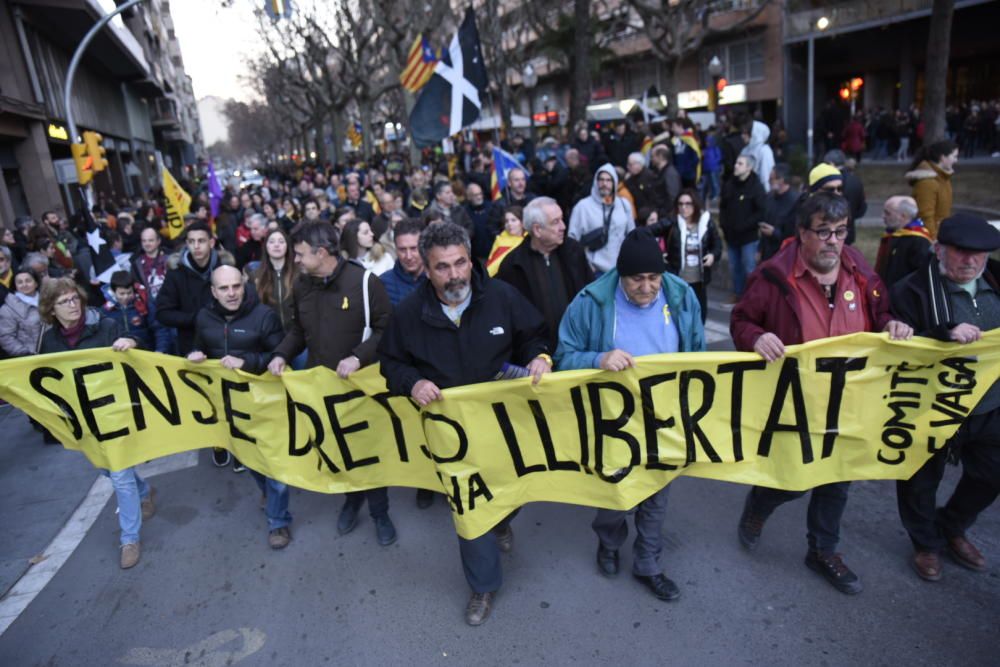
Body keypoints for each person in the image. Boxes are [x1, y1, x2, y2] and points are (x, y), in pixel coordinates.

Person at [730, 192, 913, 595]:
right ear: (801, 233)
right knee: (794, 479)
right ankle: (760, 503)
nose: (834, 240)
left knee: (837, 480)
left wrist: (892, 325)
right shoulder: (772, 277)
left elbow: (881, 313)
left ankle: (822, 550)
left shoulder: (858, 268)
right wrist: (757, 337)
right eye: (824, 232)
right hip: (796, 403)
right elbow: (742, 320)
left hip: (849, 404)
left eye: (841, 231)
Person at [377, 222, 551, 626]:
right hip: (451, 433)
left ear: (470, 258)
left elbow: (534, 335)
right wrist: (412, 381)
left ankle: (503, 521)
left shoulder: (502, 297)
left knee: (513, 493)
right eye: (442, 268)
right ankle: (483, 586)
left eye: (460, 264)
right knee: (469, 508)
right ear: (425, 267)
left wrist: (540, 356)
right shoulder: (408, 314)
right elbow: (390, 363)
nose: (454, 275)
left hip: (506, 424)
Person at [556, 228, 705, 601]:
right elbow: (563, 357)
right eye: (637, 279)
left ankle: (648, 563)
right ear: (621, 276)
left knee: (657, 491)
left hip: (666, 417)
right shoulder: (590, 302)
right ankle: (609, 541)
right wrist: (597, 358)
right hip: (613, 422)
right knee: (615, 492)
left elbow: (700, 354)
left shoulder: (681, 295)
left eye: (653, 277)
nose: (647, 287)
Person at [268, 221, 397, 546]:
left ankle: (380, 513)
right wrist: (282, 354)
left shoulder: (365, 283)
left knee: (369, 452)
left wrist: (359, 356)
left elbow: (388, 330)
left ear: (321, 253)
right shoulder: (302, 286)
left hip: (362, 388)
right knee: (339, 450)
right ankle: (352, 500)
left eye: (299, 254)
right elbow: (299, 330)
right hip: (323, 389)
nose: (295, 260)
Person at [890, 214, 1000, 581]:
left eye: (979, 255)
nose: (971, 261)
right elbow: (895, 347)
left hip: (989, 404)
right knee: (920, 478)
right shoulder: (912, 289)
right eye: (961, 253)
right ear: (939, 249)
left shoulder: (997, 280)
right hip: (933, 405)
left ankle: (951, 526)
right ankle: (925, 544)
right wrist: (942, 334)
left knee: (991, 474)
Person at [38, 277, 151, 569]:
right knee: (107, 469)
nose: (73, 305)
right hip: (83, 420)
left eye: (75, 298)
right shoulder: (49, 342)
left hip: (114, 413)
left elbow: (139, 342)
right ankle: (144, 493)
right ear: (51, 309)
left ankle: (129, 539)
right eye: (64, 302)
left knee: (119, 474)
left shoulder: (106, 326)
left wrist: (131, 341)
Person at [188, 266, 290, 549]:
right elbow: (199, 348)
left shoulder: (264, 316)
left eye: (236, 286)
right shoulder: (204, 318)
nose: (231, 293)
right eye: (224, 288)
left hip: (264, 403)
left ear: (244, 285)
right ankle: (267, 492)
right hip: (228, 406)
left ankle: (278, 523)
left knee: (273, 464)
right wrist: (194, 356)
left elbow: (280, 354)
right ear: (213, 291)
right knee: (248, 458)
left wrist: (247, 361)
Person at [496, 197, 594, 351]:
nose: (563, 226)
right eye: (555, 222)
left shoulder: (574, 252)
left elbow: (590, 295)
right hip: (538, 358)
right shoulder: (512, 266)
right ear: (537, 230)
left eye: (562, 219)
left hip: (579, 350)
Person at [654, 189, 722, 323]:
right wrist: (659, 255)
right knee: (677, 316)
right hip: (678, 278)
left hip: (699, 280)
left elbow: (717, 244)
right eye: (680, 204)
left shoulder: (706, 222)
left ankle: (697, 342)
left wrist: (713, 255)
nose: (684, 207)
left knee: (699, 316)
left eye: (688, 204)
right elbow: (649, 232)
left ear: (695, 205)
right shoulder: (672, 222)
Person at [567, 164, 635, 277]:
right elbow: (572, 240)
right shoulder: (582, 207)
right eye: (601, 180)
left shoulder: (624, 205)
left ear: (614, 183)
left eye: (609, 180)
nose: (605, 184)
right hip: (595, 270)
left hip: (621, 268)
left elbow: (632, 235)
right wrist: (586, 265)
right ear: (595, 181)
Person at [719, 155, 767, 302]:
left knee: (749, 268)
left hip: (748, 237)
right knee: (735, 268)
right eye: (736, 162)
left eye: (740, 163)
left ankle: (753, 297)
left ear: (749, 168)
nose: (736, 166)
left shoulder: (756, 187)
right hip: (731, 235)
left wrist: (745, 225)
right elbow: (724, 206)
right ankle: (738, 294)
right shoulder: (730, 184)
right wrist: (724, 225)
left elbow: (761, 211)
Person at [874, 196, 933, 287]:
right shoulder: (892, 234)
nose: (883, 216)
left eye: (887, 213)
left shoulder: (919, 241)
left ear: (903, 216)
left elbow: (920, 276)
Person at [131, 226, 172, 353]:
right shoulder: (136, 263)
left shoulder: (170, 258)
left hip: (172, 305)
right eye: (144, 241)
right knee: (161, 343)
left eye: (150, 240)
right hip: (152, 310)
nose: (147, 244)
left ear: (158, 241)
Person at [906, 139, 958, 238]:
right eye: (954, 156)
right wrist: (934, 240)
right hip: (929, 239)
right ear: (943, 157)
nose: (956, 160)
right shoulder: (928, 182)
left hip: (940, 235)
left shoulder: (943, 178)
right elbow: (925, 216)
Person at [102, 271, 153, 349]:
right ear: (113, 291)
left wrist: (160, 350)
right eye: (122, 294)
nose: (126, 297)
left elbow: (158, 328)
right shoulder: (106, 311)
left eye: (129, 293)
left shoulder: (143, 303)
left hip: (146, 351)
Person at [759, 164, 799, 262]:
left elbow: (795, 233)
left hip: (786, 255)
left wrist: (774, 233)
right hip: (768, 253)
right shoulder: (769, 197)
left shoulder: (795, 201)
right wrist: (760, 250)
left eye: (772, 178)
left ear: (781, 180)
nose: (769, 181)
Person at [0, 267, 42, 357]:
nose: (24, 284)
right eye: (20, 282)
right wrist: (26, 354)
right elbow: (6, 337)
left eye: (28, 281)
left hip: (53, 352)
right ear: (15, 286)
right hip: (29, 357)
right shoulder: (7, 309)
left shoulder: (47, 301)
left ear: (36, 283)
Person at [486, 206, 527, 277]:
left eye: (513, 220)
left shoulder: (530, 240)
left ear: (522, 222)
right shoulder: (500, 240)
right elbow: (492, 266)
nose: (509, 224)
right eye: (507, 221)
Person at [741, 120, 775, 193]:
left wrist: (767, 194)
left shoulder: (764, 150)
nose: (742, 136)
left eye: (745, 133)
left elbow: (765, 175)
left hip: (759, 192)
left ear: (754, 134)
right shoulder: (745, 150)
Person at [648, 144, 682, 219]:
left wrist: (660, 213)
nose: (651, 159)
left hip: (666, 216)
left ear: (660, 157)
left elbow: (673, 198)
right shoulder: (659, 172)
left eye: (653, 156)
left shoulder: (670, 173)